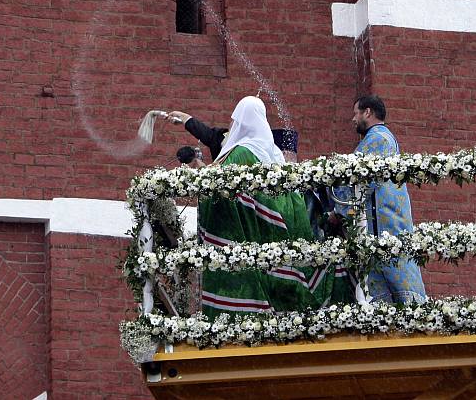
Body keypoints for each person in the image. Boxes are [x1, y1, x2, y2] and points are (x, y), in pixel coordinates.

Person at [167, 97, 351, 318]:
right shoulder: (271, 152)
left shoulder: (242, 152)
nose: (232, 125)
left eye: (235, 120)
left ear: (242, 121)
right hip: (273, 235)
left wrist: (197, 176)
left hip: (247, 234)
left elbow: (219, 188)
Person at [337, 95, 427, 304]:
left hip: (385, 222)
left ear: (367, 112)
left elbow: (355, 179)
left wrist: (338, 210)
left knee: (394, 275)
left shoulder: (377, 138)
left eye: (355, 113)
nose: (353, 119)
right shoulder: (382, 137)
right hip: (385, 218)